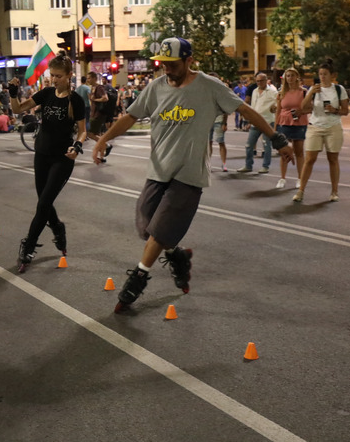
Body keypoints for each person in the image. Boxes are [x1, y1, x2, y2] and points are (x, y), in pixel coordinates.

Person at [91, 37, 293, 313]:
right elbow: (130, 116)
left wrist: (276, 139)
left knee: (159, 232)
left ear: (189, 61)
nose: (167, 70)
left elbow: (245, 109)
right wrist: (103, 139)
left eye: (173, 65)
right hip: (158, 171)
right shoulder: (156, 88)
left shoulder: (209, 87)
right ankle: (178, 257)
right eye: (163, 64)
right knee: (146, 228)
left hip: (188, 175)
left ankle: (137, 279)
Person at [7, 53, 88, 273]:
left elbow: (82, 132)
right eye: (52, 75)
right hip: (41, 154)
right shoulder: (46, 94)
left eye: (58, 76)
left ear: (69, 76)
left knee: (43, 204)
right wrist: (13, 94)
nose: (54, 79)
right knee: (44, 201)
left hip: (62, 158)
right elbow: (17, 109)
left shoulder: (76, 100)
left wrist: (77, 147)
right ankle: (58, 228)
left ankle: (29, 246)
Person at [293, 61, 349, 203]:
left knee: (333, 159)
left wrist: (334, 110)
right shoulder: (314, 89)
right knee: (310, 159)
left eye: (325, 74)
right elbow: (303, 106)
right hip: (315, 126)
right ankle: (301, 191)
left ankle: (334, 191)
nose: (322, 77)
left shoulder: (338, 89)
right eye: (320, 74)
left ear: (332, 75)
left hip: (333, 127)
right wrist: (311, 92)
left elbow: (345, 111)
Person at [237, 73, 278, 174]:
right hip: (255, 122)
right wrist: (250, 120)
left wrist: (275, 107)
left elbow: (278, 103)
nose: (259, 83)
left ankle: (265, 166)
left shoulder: (273, 91)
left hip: (267, 122)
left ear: (266, 80)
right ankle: (248, 165)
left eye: (261, 81)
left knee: (267, 145)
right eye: (257, 81)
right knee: (249, 144)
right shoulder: (255, 91)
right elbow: (253, 106)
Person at [273, 68, 308, 189]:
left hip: (299, 123)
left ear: (297, 77)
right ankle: (282, 178)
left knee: (299, 152)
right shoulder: (281, 93)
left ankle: (300, 179)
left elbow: (310, 107)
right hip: (284, 123)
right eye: (287, 76)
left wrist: (301, 111)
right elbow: (278, 111)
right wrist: (275, 128)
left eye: (292, 75)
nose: (290, 78)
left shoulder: (303, 92)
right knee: (284, 153)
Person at [85, 71, 113, 161]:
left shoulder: (99, 87)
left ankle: (107, 145)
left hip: (98, 114)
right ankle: (101, 156)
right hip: (94, 113)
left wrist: (95, 99)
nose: (88, 80)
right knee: (97, 135)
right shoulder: (93, 88)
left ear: (94, 78)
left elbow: (105, 98)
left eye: (89, 78)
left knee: (89, 133)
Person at [206, 73, 229, 172]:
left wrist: (225, 123)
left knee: (221, 142)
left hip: (219, 120)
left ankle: (224, 164)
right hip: (207, 120)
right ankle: (208, 164)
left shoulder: (221, 91)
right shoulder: (205, 91)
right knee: (208, 143)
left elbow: (226, 108)